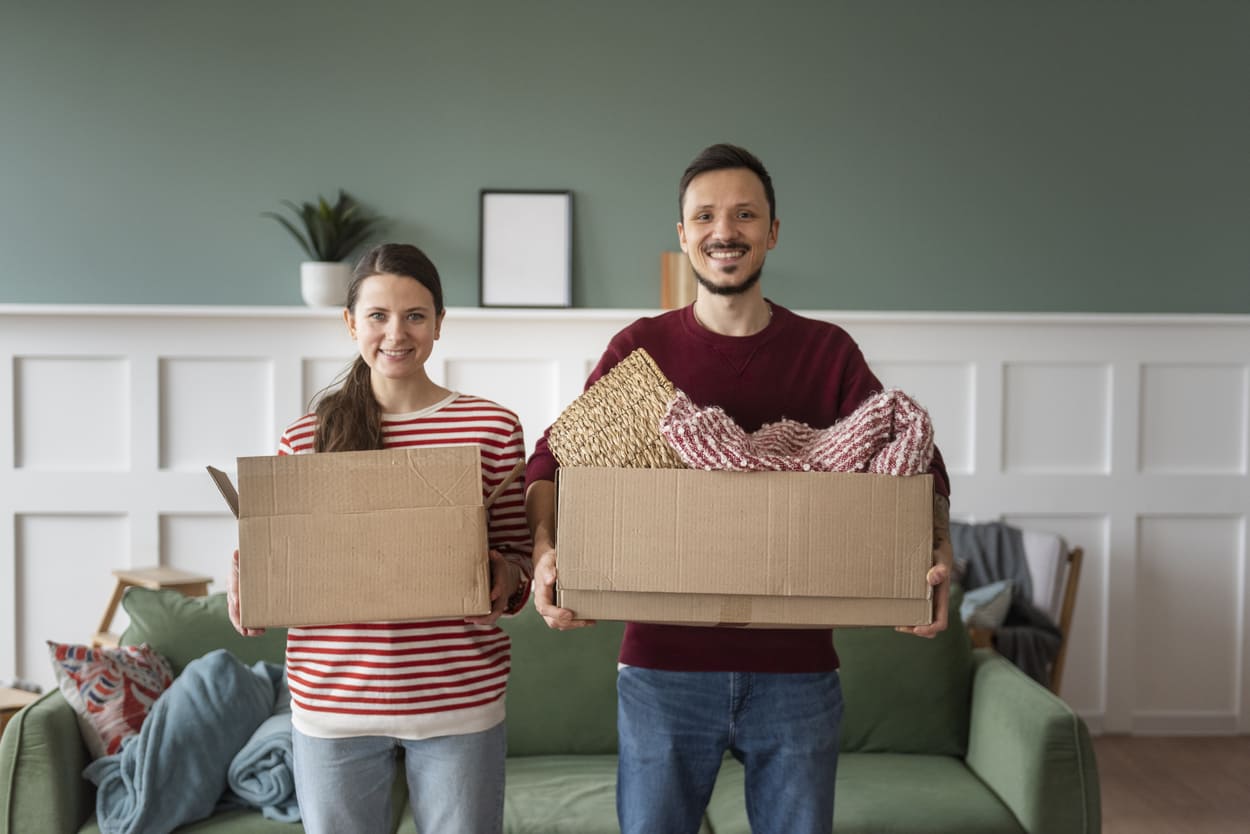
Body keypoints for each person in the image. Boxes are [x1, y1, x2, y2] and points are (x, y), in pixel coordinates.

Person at [524, 144, 954, 834]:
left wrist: (938, 555)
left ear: (773, 231)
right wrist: (547, 552)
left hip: (797, 674)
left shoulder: (827, 351)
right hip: (662, 672)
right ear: (684, 234)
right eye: (706, 216)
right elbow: (551, 458)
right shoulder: (641, 350)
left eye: (745, 214)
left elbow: (916, 468)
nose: (725, 231)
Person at [227, 242, 532, 834]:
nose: (397, 333)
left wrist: (507, 580)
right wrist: (252, 579)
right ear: (350, 323)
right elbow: (290, 560)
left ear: (440, 323)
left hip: (458, 701)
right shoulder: (305, 437)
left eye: (415, 315)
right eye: (377, 316)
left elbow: (518, 556)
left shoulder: (491, 428)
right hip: (333, 704)